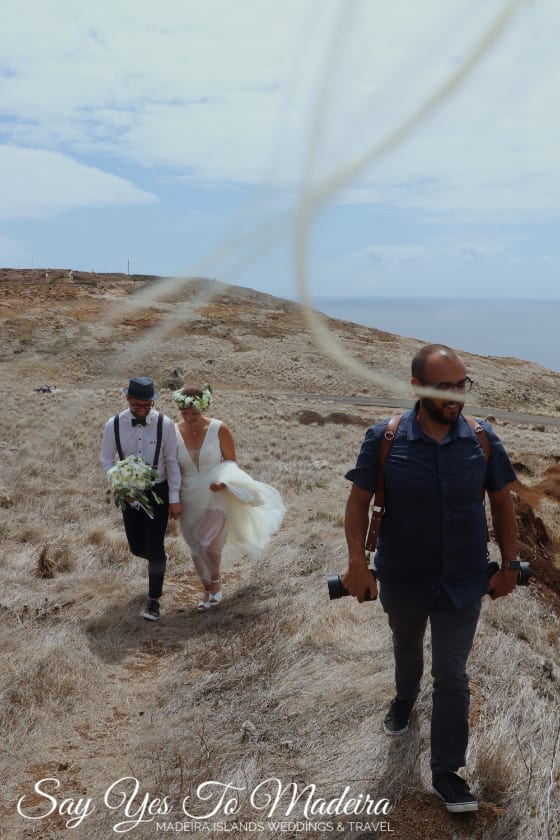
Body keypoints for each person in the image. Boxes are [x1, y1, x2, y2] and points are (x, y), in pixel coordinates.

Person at [342, 344, 518, 814]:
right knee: (406, 647)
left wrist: (510, 564)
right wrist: (357, 564)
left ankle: (446, 771)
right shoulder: (384, 438)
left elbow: (502, 503)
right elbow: (359, 502)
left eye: (463, 384)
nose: (457, 395)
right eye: (445, 387)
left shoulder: (482, 439)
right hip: (403, 577)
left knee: (452, 673)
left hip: (463, 581)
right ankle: (403, 697)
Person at [173, 383, 285, 610]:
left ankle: (215, 583)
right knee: (195, 546)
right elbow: (172, 465)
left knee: (209, 544)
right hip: (188, 496)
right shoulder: (173, 431)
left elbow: (231, 460)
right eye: (184, 413)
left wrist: (224, 481)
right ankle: (206, 586)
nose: (189, 418)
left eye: (194, 413)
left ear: (203, 408)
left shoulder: (219, 429)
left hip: (215, 494)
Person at [101, 376, 182, 621]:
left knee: (155, 544)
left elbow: (171, 461)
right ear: (127, 399)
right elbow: (106, 460)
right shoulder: (113, 425)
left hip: (158, 492)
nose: (143, 411)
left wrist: (175, 498)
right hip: (129, 493)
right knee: (137, 546)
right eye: (137, 405)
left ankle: (154, 599)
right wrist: (120, 483)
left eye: (148, 406)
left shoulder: (165, 424)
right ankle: (159, 561)